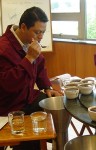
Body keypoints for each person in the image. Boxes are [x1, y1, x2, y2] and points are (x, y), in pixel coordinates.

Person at [0, 7, 62, 150]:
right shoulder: (3, 48)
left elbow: (40, 67)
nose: (40, 36)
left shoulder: (30, 42)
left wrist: (47, 87)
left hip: (27, 97)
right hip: (10, 104)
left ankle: (57, 143)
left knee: (57, 104)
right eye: (37, 32)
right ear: (23, 27)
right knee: (32, 133)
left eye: (43, 32)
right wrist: (29, 58)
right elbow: (8, 84)